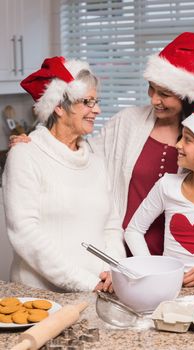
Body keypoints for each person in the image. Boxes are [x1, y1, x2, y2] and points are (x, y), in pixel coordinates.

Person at [9, 33, 194, 265]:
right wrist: (38, 141)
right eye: (151, 89)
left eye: (164, 94)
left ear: (188, 97)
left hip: (181, 259)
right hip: (123, 250)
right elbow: (81, 154)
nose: (154, 99)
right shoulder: (129, 121)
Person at [3, 56, 126, 293]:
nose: (97, 110)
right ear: (59, 106)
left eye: (96, 101)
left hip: (98, 291)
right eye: (87, 102)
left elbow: (111, 225)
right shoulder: (26, 155)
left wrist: (113, 270)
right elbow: (25, 234)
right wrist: (86, 282)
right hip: (41, 296)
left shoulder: (95, 160)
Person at [124, 102, 194, 287]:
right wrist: (153, 271)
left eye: (187, 140)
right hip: (169, 289)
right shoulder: (167, 185)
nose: (177, 144)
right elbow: (133, 230)